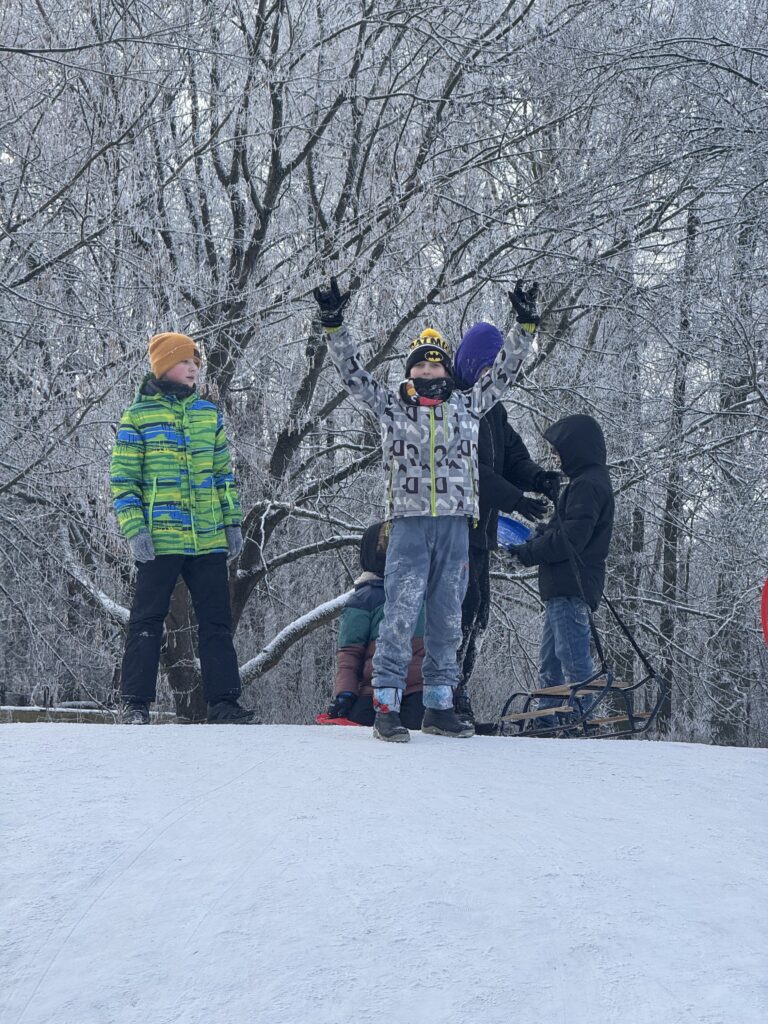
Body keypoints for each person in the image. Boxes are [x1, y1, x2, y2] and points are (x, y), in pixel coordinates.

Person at [313, 277, 539, 742]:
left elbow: (504, 370)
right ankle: (387, 705)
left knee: (446, 617)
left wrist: (525, 324)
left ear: (447, 375)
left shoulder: (468, 408)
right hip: (411, 525)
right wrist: (334, 325)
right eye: (421, 369)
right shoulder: (393, 409)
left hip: (456, 525)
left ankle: (439, 704)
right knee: (399, 614)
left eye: (437, 370)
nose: (431, 375)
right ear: (410, 374)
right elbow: (352, 374)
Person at [110, 331, 253, 724]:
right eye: (186, 361)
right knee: (146, 620)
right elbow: (124, 481)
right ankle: (135, 703)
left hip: (207, 538)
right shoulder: (137, 416)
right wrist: (135, 528)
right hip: (159, 538)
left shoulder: (208, 415)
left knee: (216, 621)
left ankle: (223, 702)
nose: (193, 368)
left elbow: (224, 475)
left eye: (196, 363)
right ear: (164, 365)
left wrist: (231, 522)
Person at [451, 320, 560, 725]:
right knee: (462, 611)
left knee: (480, 613)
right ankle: (445, 691)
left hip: (483, 535)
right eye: (482, 368)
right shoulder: (458, 407)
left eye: (493, 370)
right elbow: (472, 470)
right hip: (456, 530)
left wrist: (536, 478)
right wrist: (516, 500)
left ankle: (460, 688)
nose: (487, 378)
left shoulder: (495, 412)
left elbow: (512, 457)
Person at [509, 414, 614, 725]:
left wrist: (528, 552)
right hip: (562, 585)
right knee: (551, 660)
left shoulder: (587, 486)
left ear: (576, 449)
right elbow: (568, 530)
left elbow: (572, 540)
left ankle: (582, 718)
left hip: (571, 585)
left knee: (572, 657)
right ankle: (547, 719)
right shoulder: (586, 483)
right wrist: (541, 533)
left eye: (559, 451)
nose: (556, 458)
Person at [319, 522, 426, 730]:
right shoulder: (365, 599)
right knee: (363, 728)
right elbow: (351, 654)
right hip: (377, 689)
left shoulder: (419, 595)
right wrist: (346, 693)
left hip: (416, 688)